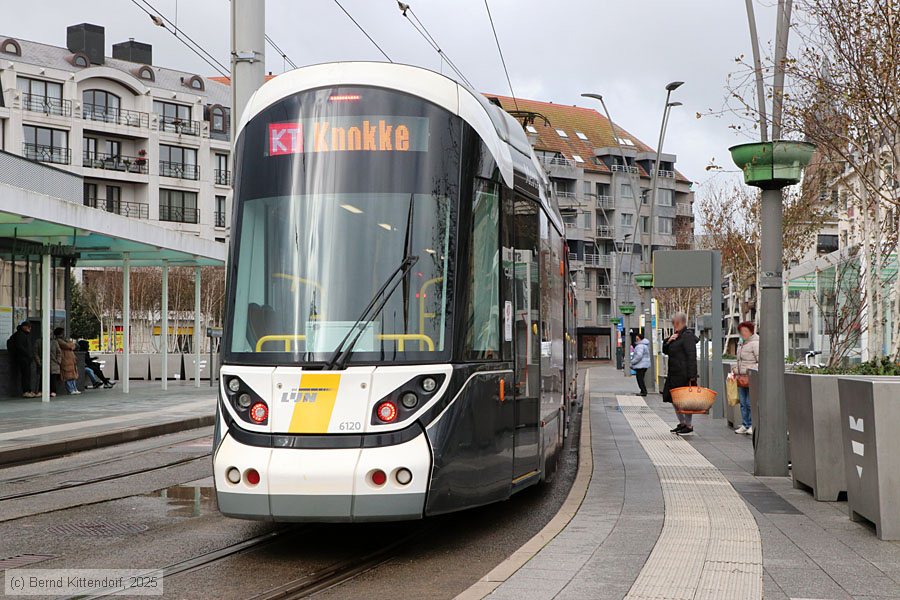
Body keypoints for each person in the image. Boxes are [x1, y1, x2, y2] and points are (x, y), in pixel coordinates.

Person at [662, 312, 699, 435]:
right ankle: (682, 422)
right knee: (674, 399)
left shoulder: (687, 336)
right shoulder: (676, 336)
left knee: (686, 400)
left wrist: (692, 376)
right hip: (673, 373)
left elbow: (691, 356)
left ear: (679, 322)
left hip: (683, 374)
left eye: (674, 323)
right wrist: (668, 340)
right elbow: (666, 351)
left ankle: (688, 425)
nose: (673, 325)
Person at [732, 321, 759, 435]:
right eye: (741, 331)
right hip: (741, 376)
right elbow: (739, 360)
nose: (743, 333)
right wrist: (735, 369)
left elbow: (760, 361)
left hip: (751, 377)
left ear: (751, 331)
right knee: (743, 402)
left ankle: (753, 424)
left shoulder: (756, 343)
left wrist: (750, 370)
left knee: (749, 402)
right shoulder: (741, 343)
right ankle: (745, 424)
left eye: (745, 331)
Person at [7, 321, 36, 397]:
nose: (30, 328)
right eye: (28, 327)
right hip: (23, 358)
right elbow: (20, 347)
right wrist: (28, 354)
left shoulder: (25, 335)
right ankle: (26, 391)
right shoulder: (20, 334)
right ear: (24, 327)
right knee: (25, 375)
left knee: (27, 375)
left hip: (26, 358)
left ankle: (28, 390)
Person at [50, 328, 80, 395]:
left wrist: (71, 345)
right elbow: (68, 345)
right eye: (62, 333)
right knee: (67, 375)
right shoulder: (58, 341)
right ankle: (70, 389)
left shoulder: (65, 340)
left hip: (71, 360)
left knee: (73, 375)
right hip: (65, 359)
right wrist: (70, 345)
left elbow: (72, 345)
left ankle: (74, 388)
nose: (63, 334)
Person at [630, 331, 651, 396]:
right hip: (644, 365)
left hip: (640, 365)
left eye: (637, 339)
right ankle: (643, 391)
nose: (636, 340)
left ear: (640, 339)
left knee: (640, 379)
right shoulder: (645, 345)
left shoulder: (640, 346)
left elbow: (639, 356)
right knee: (641, 378)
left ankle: (643, 391)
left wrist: (632, 362)